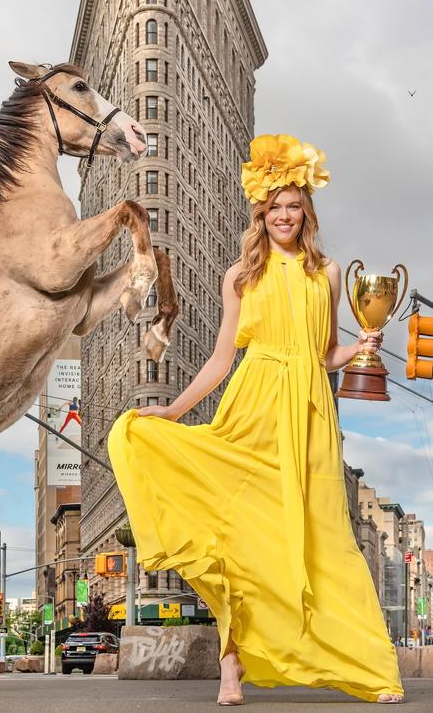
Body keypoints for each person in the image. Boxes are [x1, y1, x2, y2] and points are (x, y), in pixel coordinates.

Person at [108, 134, 404, 705]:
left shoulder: (329, 273)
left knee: (327, 542)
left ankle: (368, 668)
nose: (285, 217)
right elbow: (222, 359)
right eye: (275, 208)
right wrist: (171, 410)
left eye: (294, 207)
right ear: (261, 214)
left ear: (307, 213)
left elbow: (323, 354)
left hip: (313, 418)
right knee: (242, 542)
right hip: (255, 408)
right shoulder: (240, 277)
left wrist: (364, 344)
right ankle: (230, 668)